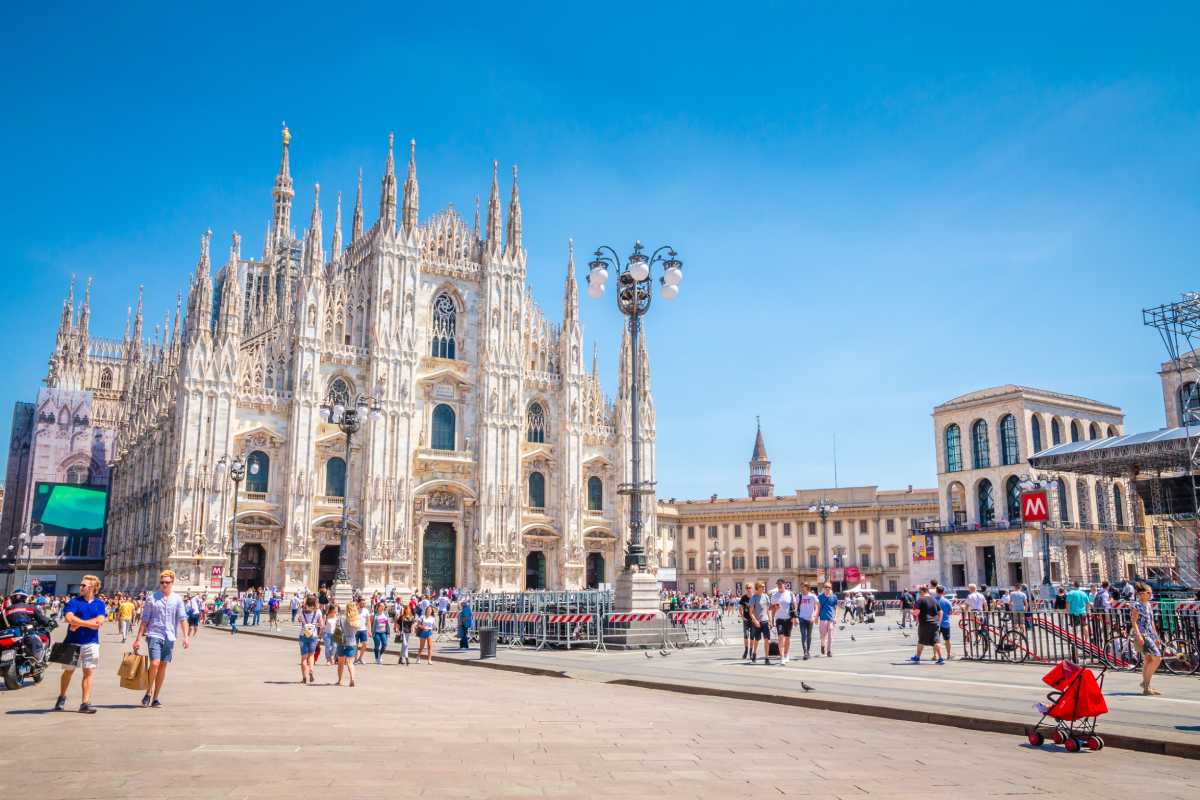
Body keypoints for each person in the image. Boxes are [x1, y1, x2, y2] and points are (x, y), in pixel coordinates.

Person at [133, 569, 191, 708]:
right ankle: (148, 692)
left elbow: (183, 619)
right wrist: (138, 639)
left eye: (167, 582)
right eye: (162, 582)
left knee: (163, 666)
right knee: (155, 664)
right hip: (154, 634)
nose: (164, 585)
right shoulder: (152, 598)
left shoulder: (177, 599)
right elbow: (145, 620)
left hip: (170, 636)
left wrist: (186, 637)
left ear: (172, 583)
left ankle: (156, 697)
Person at [54, 575, 105, 713]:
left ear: (93, 588)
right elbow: (69, 617)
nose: (80, 587)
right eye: (80, 585)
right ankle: (62, 696)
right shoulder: (74, 601)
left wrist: (77, 624)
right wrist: (88, 623)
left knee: (88, 672)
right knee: (68, 671)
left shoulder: (99, 603)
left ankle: (85, 703)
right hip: (72, 642)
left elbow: (99, 621)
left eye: (83, 585)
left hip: (92, 643)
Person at [1130, 582, 1163, 696]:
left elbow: (1151, 621)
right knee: (1157, 657)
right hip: (1143, 634)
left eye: (1151, 592)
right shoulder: (1137, 605)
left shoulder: (1148, 605)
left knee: (1149, 660)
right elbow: (1134, 621)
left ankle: (1146, 686)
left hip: (1149, 634)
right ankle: (1145, 684)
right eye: (1148, 592)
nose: (1150, 594)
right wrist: (1138, 635)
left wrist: (1156, 636)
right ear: (1141, 594)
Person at [910, 585, 944, 664]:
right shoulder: (934, 600)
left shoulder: (920, 600)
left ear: (922, 591)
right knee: (936, 641)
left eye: (919, 592)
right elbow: (940, 612)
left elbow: (917, 612)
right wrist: (939, 621)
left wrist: (912, 612)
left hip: (924, 623)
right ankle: (941, 658)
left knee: (921, 641)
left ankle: (917, 657)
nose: (919, 593)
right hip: (934, 623)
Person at [297, 596, 323, 684]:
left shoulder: (301, 611)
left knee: (303, 657)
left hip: (303, 635)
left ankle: (304, 677)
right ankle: (311, 670)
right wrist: (315, 626)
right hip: (313, 635)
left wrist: (303, 621)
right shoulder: (318, 611)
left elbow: (299, 620)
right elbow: (321, 625)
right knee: (311, 655)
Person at [769, 578, 794, 665]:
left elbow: (795, 606)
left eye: (780, 584)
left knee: (787, 638)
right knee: (780, 638)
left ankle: (786, 654)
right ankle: (782, 657)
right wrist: (771, 619)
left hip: (788, 619)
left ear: (784, 584)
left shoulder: (790, 594)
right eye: (778, 584)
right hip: (779, 619)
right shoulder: (774, 595)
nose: (779, 585)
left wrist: (794, 617)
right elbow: (770, 608)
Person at [747, 580, 772, 665]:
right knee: (757, 639)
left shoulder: (766, 597)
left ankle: (767, 657)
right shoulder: (754, 597)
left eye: (764, 586)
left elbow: (768, 610)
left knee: (767, 640)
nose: (764, 588)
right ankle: (754, 653)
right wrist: (755, 621)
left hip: (765, 621)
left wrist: (770, 620)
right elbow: (750, 613)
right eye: (762, 586)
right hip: (757, 622)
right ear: (758, 588)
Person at [335, 602, 358, 686]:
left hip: (342, 641)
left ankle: (340, 680)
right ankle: (352, 679)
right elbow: (356, 631)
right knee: (350, 662)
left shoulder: (341, 618)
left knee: (340, 663)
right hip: (352, 641)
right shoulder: (356, 619)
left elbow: (337, 629)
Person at [795, 582, 817, 660]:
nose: (802, 588)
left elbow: (817, 607)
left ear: (807, 587)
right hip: (802, 618)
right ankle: (805, 652)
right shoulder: (799, 596)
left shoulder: (812, 596)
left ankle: (808, 650)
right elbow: (795, 607)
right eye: (801, 586)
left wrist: (814, 616)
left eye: (803, 587)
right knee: (803, 635)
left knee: (809, 636)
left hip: (810, 618)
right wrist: (796, 618)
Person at [817, 583, 838, 657]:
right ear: (824, 588)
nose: (827, 588)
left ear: (831, 588)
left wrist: (835, 617)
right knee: (823, 635)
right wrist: (816, 617)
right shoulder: (820, 597)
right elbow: (818, 607)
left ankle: (829, 651)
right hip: (822, 618)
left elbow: (836, 608)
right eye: (826, 587)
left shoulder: (834, 597)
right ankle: (823, 645)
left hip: (831, 619)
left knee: (830, 636)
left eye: (829, 587)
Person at [935, 586, 954, 660]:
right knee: (947, 640)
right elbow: (951, 611)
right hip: (945, 623)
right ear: (943, 592)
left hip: (936, 623)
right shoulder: (947, 601)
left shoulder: (933, 600)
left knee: (936, 640)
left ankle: (935, 655)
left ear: (936, 591)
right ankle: (949, 654)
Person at [353, 597, 370, 665]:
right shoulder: (355, 609)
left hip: (363, 629)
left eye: (364, 603)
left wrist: (369, 630)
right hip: (355, 630)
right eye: (362, 603)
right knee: (355, 645)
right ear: (358, 603)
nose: (363, 604)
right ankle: (355, 658)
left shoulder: (366, 610)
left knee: (364, 644)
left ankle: (360, 658)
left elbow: (368, 621)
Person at [738, 585, 752, 659]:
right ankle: (746, 650)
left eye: (749, 588)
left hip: (753, 620)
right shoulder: (743, 597)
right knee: (746, 635)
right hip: (746, 619)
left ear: (752, 589)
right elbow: (740, 607)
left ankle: (751, 651)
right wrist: (742, 617)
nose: (748, 589)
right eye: (747, 588)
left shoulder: (754, 597)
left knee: (752, 636)